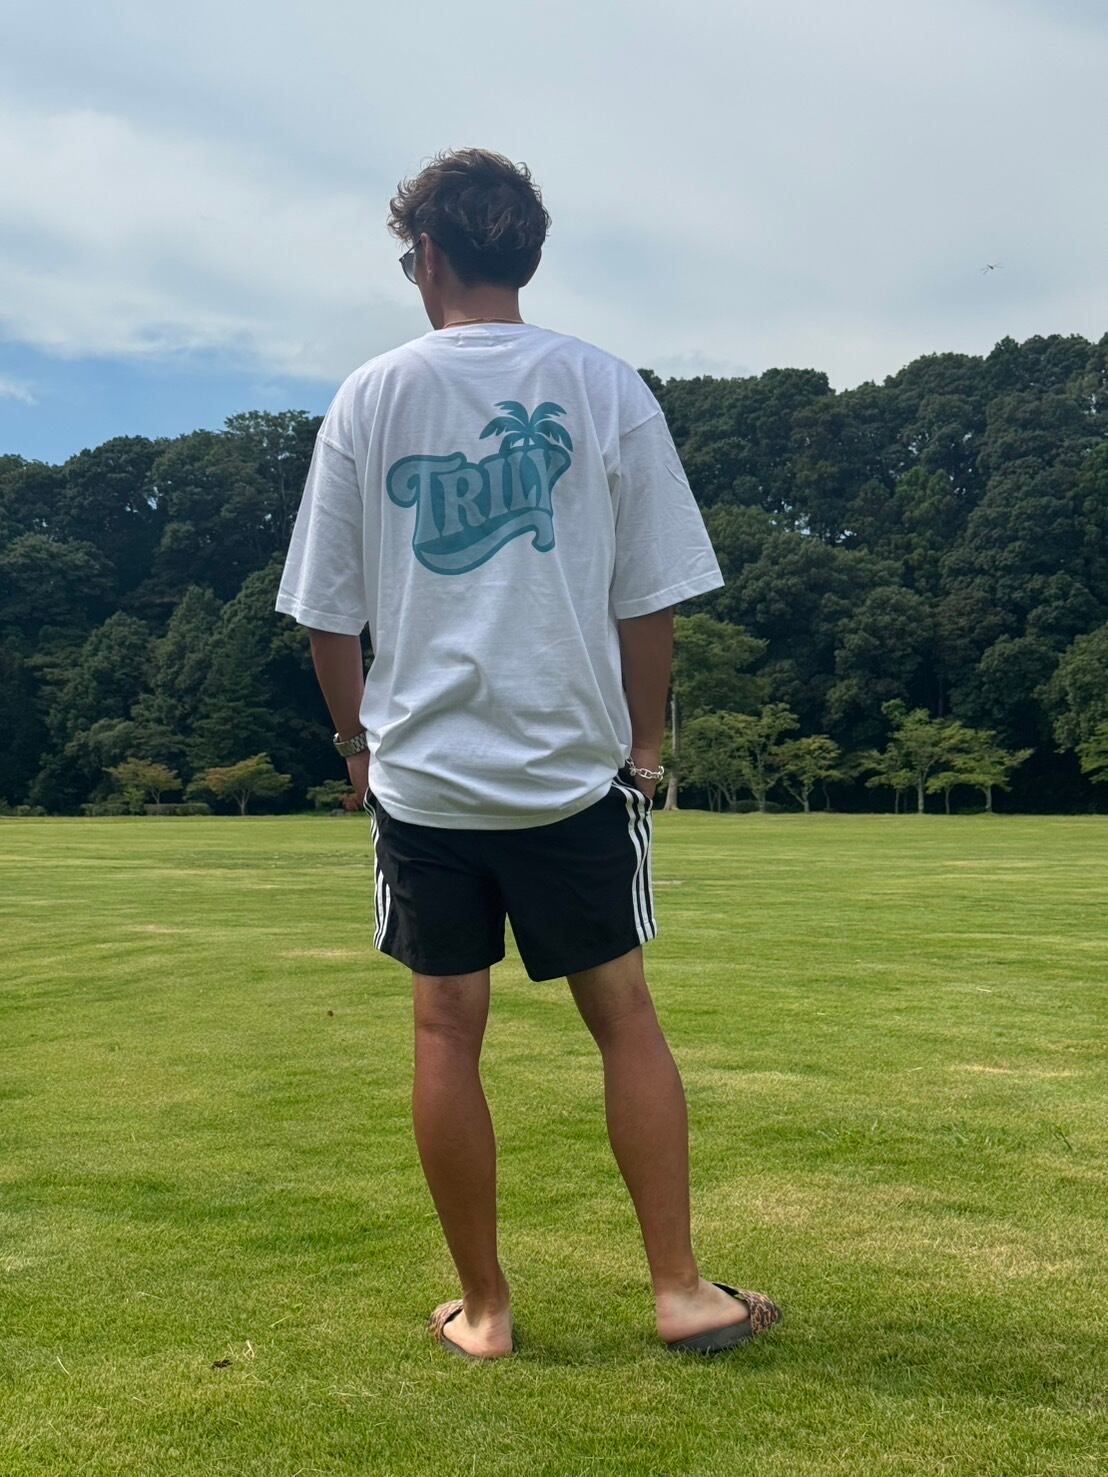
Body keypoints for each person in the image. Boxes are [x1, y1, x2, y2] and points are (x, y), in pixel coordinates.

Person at [274, 147, 782, 1360]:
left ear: (427, 257)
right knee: (626, 1019)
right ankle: (678, 1291)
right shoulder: (605, 385)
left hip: (426, 781)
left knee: (445, 1031)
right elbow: (648, 601)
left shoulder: (370, 396)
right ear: (526, 255)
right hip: (571, 772)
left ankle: (487, 1309)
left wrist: (355, 746)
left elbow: (329, 617)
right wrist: (644, 747)